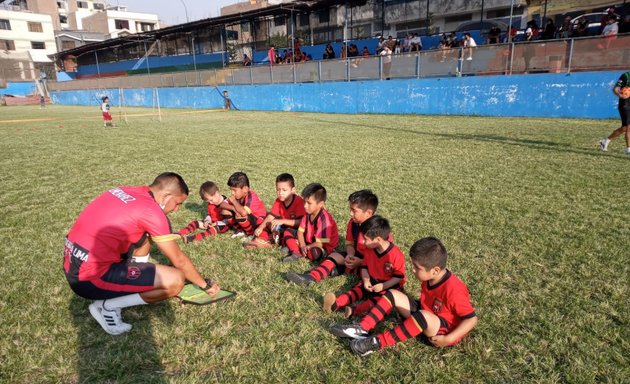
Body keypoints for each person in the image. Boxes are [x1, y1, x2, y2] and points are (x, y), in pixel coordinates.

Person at [64, 172, 220, 335]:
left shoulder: (125, 190)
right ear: (166, 196)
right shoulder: (151, 211)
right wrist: (205, 285)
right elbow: (179, 260)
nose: (176, 209)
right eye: (177, 203)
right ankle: (107, 307)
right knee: (175, 280)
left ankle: (132, 282)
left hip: (72, 262)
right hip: (89, 280)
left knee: (144, 236)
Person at [330, 237, 477, 357]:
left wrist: (448, 339)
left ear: (435, 270)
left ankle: (376, 342)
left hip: (441, 330)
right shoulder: (430, 278)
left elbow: (471, 319)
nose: (412, 270)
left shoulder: (454, 288)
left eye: (416, 267)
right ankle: (362, 328)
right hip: (425, 313)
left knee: (423, 315)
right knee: (393, 294)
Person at [286, 189, 381, 286]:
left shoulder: (379, 229)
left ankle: (340, 270)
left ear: (368, 213)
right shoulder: (352, 223)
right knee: (334, 256)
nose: (350, 213)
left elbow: (381, 258)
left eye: (354, 210)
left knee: (373, 273)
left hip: (371, 263)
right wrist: (350, 254)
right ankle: (311, 277)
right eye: (350, 209)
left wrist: (361, 262)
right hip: (355, 258)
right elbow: (350, 243)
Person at [322, 216, 406, 318]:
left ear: (378, 239)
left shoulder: (396, 255)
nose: (363, 242)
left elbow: (398, 277)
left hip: (388, 287)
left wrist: (383, 286)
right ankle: (335, 304)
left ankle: (355, 311)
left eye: (365, 239)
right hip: (371, 281)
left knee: (377, 301)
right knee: (355, 291)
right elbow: (364, 267)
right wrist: (366, 281)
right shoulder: (370, 250)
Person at [243, 173, 305, 249]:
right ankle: (264, 239)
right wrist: (261, 227)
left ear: (293, 190)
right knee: (265, 221)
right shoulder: (279, 201)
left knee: (286, 231)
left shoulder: (299, 201)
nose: (280, 193)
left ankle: (276, 242)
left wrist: (282, 221)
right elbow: (270, 216)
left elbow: (302, 222)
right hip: (283, 227)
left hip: (295, 230)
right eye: (278, 190)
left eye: (284, 190)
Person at [281, 183, 338, 263]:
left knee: (315, 253)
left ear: (320, 204)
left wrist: (307, 246)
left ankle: (293, 247)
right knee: (288, 231)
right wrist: (303, 245)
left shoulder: (324, 218)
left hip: (322, 245)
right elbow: (300, 231)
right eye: (304, 202)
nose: (305, 205)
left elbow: (321, 242)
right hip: (309, 240)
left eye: (309, 203)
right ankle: (296, 252)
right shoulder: (308, 213)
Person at [222, 172, 268, 239]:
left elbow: (244, 213)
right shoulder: (238, 195)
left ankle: (250, 233)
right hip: (248, 219)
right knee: (225, 211)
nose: (232, 193)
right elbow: (222, 204)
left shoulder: (251, 197)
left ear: (245, 189)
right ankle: (240, 230)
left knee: (239, 214)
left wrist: (234, 202)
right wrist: (233, 208)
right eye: (231, 190)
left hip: (258, 222)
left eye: (234, 190)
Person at [599, 71, 630, 155]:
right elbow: (615, 89)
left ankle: (605, 141)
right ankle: (628, 150)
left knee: (624, 128)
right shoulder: (626, 75)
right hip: (625, 104)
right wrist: (621, 95)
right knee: (628, 127)